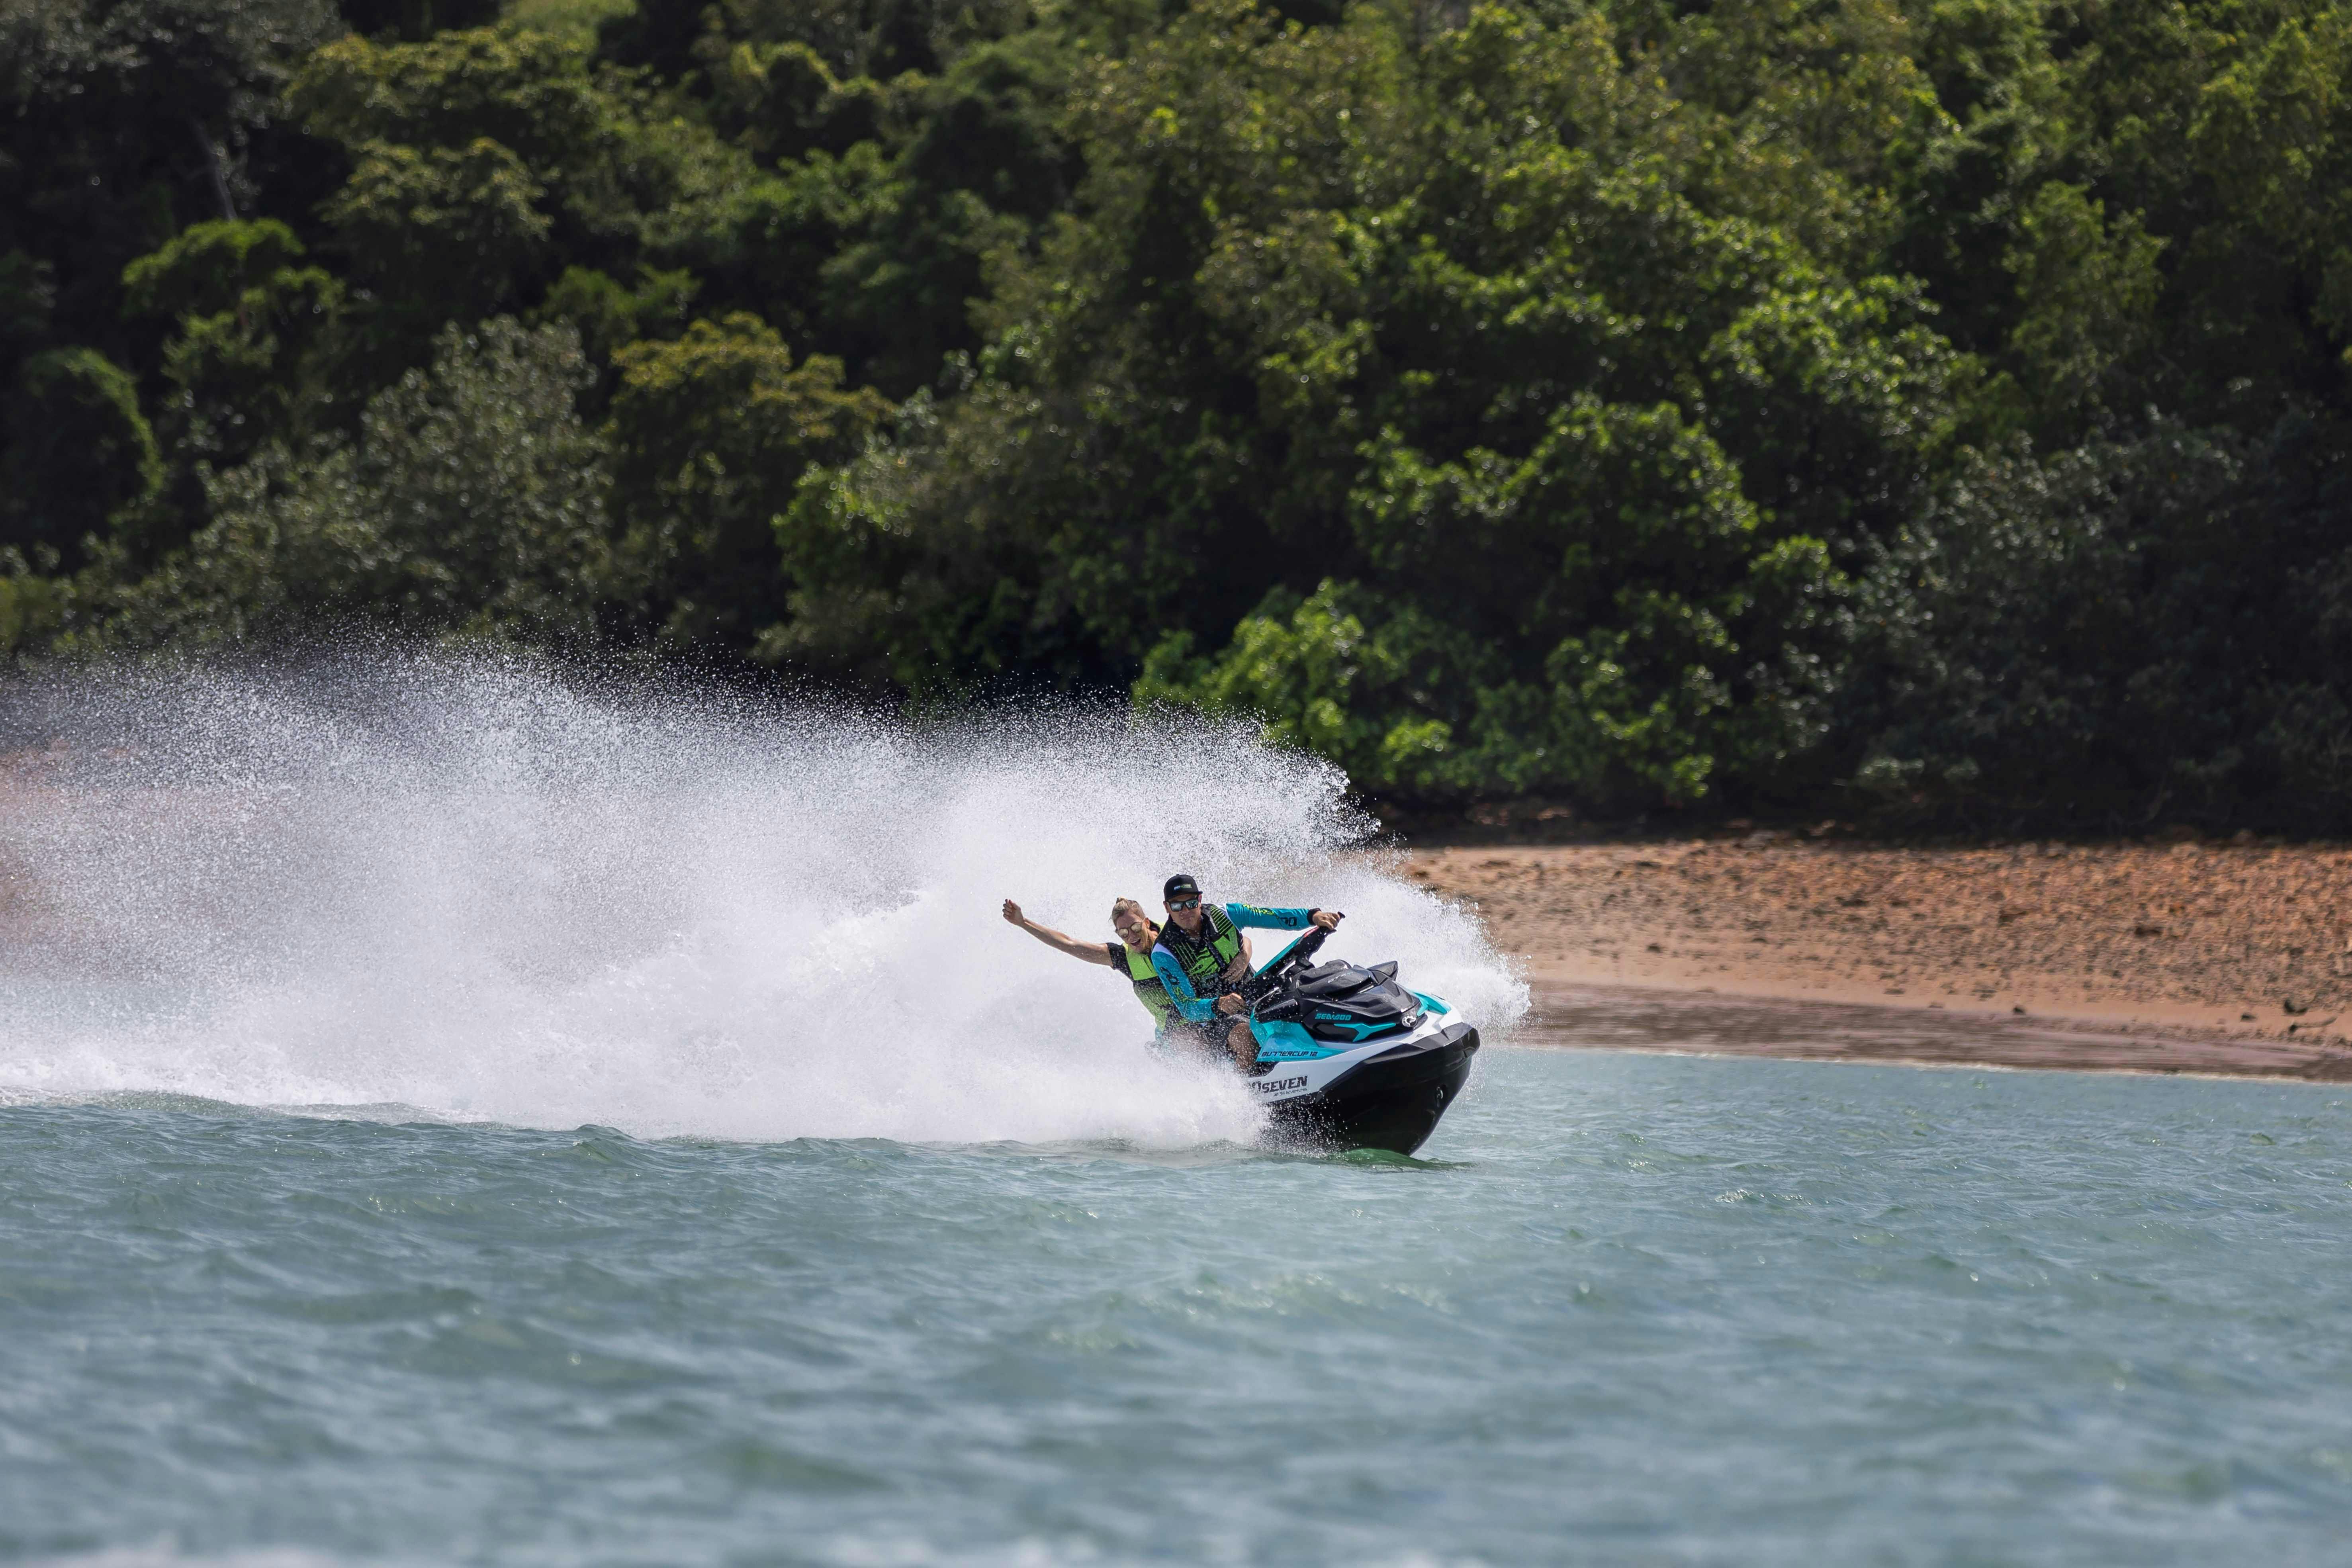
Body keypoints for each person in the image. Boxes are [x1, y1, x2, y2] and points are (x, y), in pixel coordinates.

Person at [1150, 873, 1342, 1071]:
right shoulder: (1164, 952)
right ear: (1167, 908)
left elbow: (1272, 916)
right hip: (1214, 1018)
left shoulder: (1225, 915)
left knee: (1306, 1001)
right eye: (1177, 906)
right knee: (1246, 1037)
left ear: (1200, 900)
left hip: (1256, 994)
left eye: (1191, 903)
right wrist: (1220, 1004)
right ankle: (1245, 1097)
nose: (1185, 911)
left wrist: (1311, 917)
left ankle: (1335, 1053)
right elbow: (1187, 1007)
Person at [1002, 896, 1183, 1039]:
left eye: (1136, 927)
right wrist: (1023, 923)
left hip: (1200, 1013)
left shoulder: (1174, 936)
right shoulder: (1123, 958)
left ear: (1147, 922)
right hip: (1172, 1035)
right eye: (1123, 933)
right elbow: (1069, 944)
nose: (1131, 935)